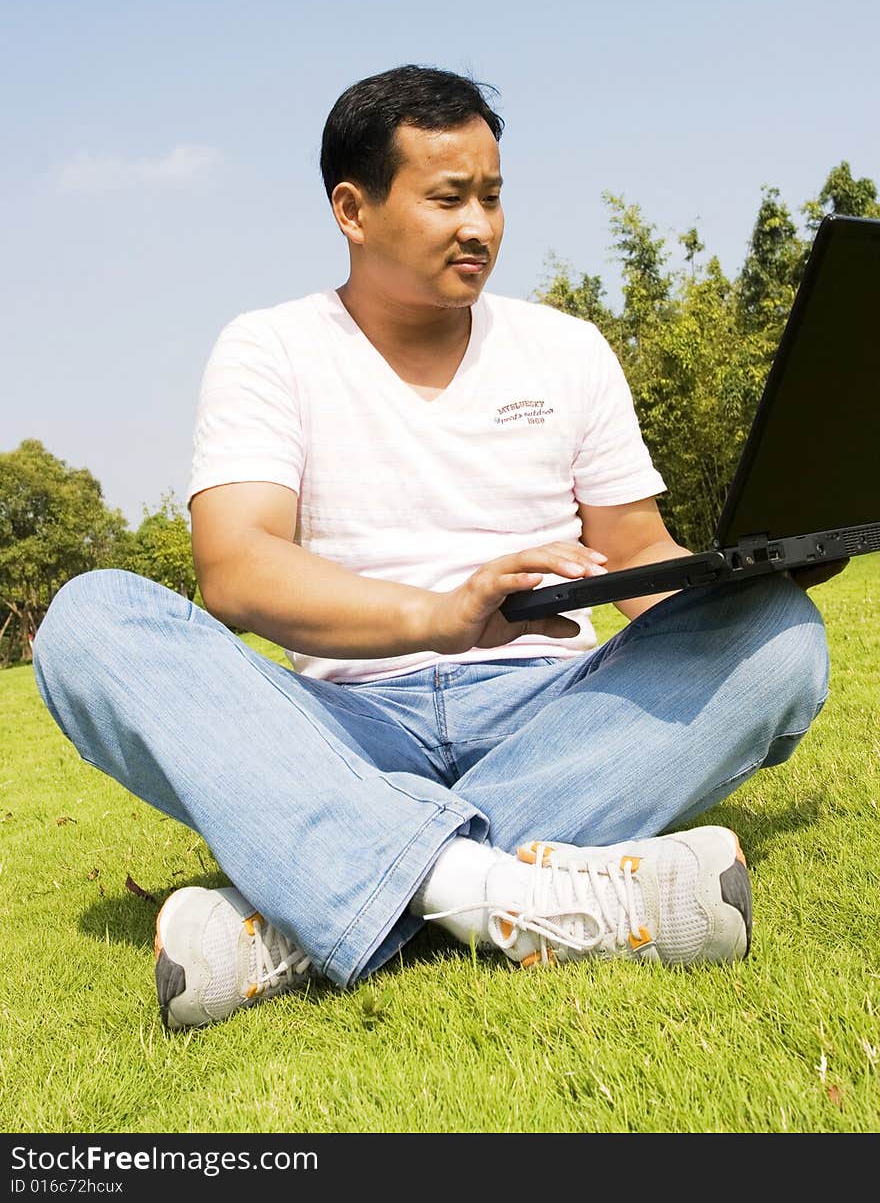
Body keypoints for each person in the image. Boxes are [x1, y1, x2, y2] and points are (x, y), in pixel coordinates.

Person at [32, 64, 837, 1033]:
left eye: (493, 195)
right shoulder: (270, 349)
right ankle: (508, 895)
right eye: (447, 197)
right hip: (347, 726)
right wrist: (439, 616)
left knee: (783, 636)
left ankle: (332, 893)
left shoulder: (567, 349)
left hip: (551, 714)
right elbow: (237, 567)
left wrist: (741, 585)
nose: (481, 226)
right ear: (351, 208)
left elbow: (635, 551)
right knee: (89, 623)